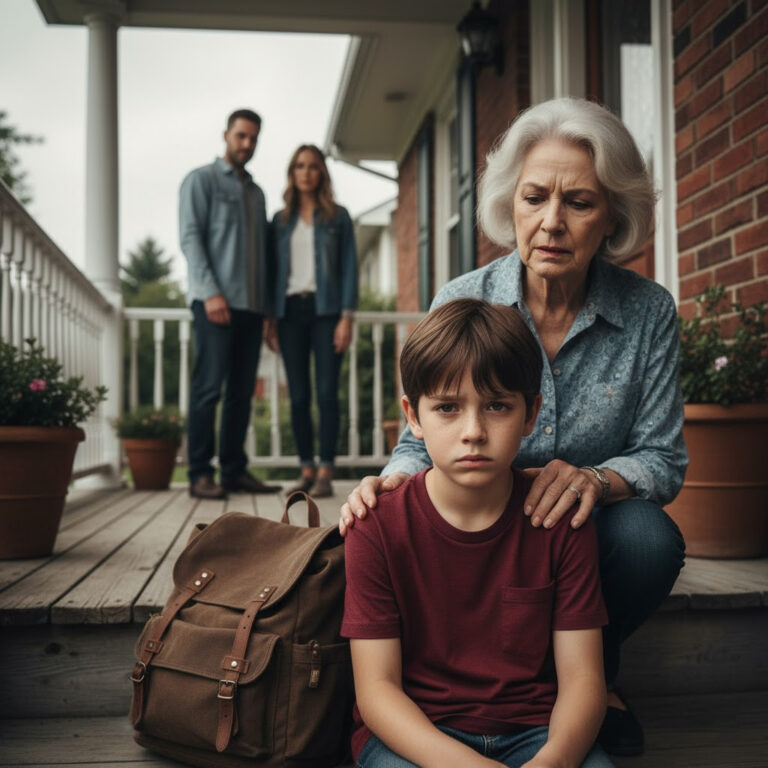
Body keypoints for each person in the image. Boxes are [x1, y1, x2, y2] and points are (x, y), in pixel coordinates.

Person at [340, 97, 688, 757]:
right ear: (512, 204)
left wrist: (593, 481)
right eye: (535, 198)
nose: (551, 222)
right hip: (476, 510)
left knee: (649, 539)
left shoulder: (648, 312)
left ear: (611, 213)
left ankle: (587, 682)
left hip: (578, 523)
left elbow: (663, 458)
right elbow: (421, 436)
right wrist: (386, 488)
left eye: (579, 203)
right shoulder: (463, 298)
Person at [343, 298, 614, 768]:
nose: (473, 431)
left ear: (530, 414)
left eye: (496, 406)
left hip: (537, 732)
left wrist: (554, 761)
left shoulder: (559, 521)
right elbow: (377, 690)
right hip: (415, 736)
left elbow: (584, 680)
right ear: (413, 416)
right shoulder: (376, 527)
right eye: (447, 407)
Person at [180, 108, 280, 499]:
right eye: (241, 136)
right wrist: (210, 292)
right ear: (226, 135)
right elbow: (190, 238)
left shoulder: (257, 194)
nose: (247, 144)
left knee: (241, 391)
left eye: (253, 138)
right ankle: (199, 473)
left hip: (252, 308)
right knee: (208, 389)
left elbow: (264, 258)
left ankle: (234, 470)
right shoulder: (200, 181)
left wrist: (268, 310)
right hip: (215, 304)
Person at [267, 144, 358, 498]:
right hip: (289, 312)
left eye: (312, 166)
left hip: (327, 312)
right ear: (292, 173)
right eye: (299, 166)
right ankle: (305, 468)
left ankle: (325, 471)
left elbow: (349, 268)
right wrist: (270, 319)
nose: (306, 172)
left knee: (326, 392)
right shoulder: (280, 221)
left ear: (322, 172)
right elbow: (272, 272)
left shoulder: (338, 216)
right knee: (299, 395)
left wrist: (346, 317)